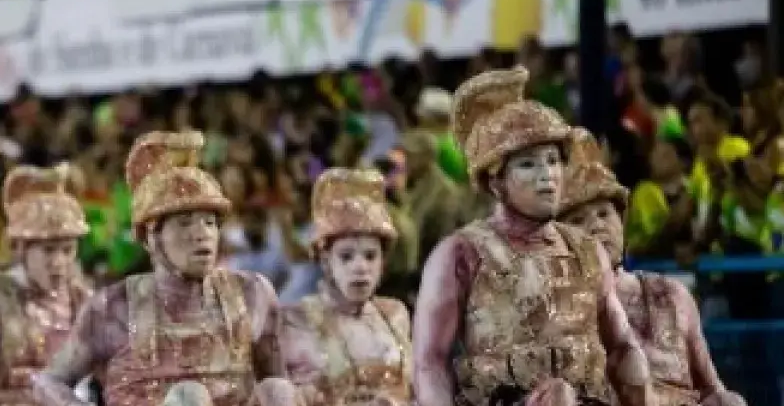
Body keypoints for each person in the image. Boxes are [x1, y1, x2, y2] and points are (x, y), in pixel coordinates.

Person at [412, 66, 651, 406]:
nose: (547, 176)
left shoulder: (586, 250)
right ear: (496, 181)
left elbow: (623, 344)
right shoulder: (460, 254)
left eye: (553, 161)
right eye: (528, 165)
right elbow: (429, 363)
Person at [32, 130, 300, 405]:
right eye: (184, 222)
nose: (201, 234)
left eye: (209, 222)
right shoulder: (112, 308)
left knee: (278, 390)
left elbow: (277, 382)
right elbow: (49, 382)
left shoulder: (252, 294)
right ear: (151, 237)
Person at [559, 131, 745, 406]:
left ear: (622, 222)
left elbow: (711, 387)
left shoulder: (671, 294)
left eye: (604, 214)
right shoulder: (555, 308)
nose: (596, 226)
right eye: (577, 220)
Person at [0, 163, 93, 405]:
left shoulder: (83, 300)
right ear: (20, 248)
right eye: (48, 250)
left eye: (67, 250)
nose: (59, 262)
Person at [281, 167, 412, 405]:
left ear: (383, 263)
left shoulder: (394, 315)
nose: (360, 267)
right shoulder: (299, 319)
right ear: (326, 262)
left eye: (371, 256)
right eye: (346, 256)